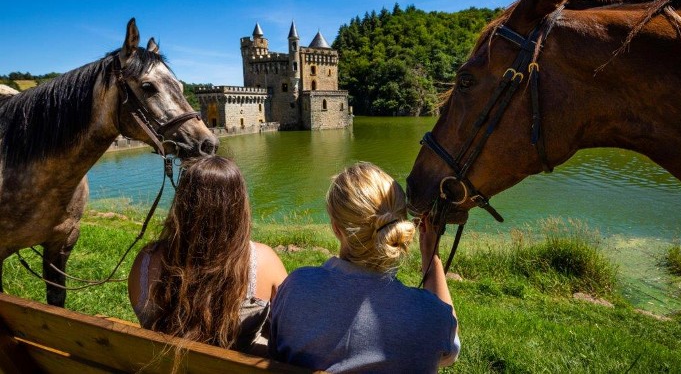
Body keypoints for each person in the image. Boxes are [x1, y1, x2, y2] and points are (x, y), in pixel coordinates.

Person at [270, 162, 460, 373]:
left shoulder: (296, 287)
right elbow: (450, 353)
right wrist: (431, 256)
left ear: (336, 229)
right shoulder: (431, 315)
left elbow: (277, 348)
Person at [128, 155, 287, 355]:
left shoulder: (146, 260)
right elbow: (291, 329)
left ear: (183, 201)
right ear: (239, 205)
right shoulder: (264, 261)